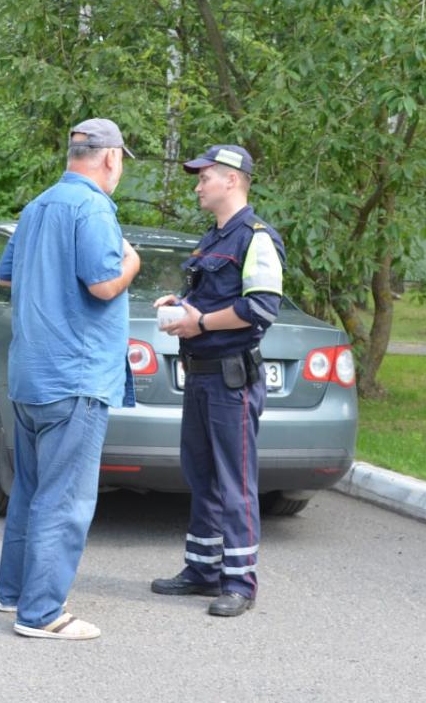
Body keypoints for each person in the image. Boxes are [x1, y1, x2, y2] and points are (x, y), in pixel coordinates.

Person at [0, 118, 140, 640]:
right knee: (66, 500)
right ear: (110, 158)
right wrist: (133, 265)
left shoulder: (38, 206)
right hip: (76, 377)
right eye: (121, 160)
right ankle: (41, 613)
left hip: (31, 373)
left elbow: (5, 274)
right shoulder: (93, 207)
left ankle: (12, 593)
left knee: (32, 491)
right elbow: (103, 285)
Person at [149, 144, 285, 617]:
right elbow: (209, 298)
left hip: (231, 379)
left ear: (231, 179)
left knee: (235, 481)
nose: (198, 184)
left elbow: (260, 308)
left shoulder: (256, 238)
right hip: (202, 377)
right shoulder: (212, 238)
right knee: (202, 474)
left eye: (204, 176)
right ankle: (203, 570)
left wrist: (200, 323)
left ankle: (239, 583)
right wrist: (181, 305)